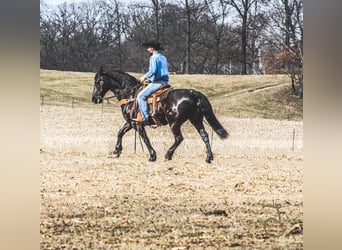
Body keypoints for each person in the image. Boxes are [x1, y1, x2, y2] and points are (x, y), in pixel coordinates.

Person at [133, 40, 170, 124]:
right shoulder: (163, 57)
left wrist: (144, 77)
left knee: (140, 96)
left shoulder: (153, 57)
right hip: (165, 82)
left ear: (152, 48)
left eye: (148, 48)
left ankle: (145, 118)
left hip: (157, 83)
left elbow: (153, 70)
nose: (147, 49)